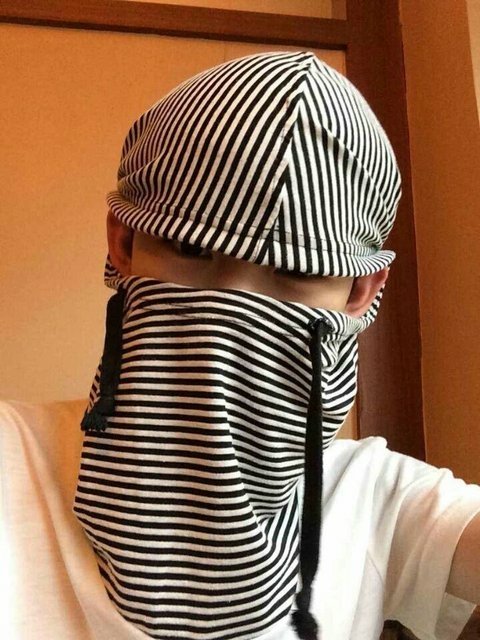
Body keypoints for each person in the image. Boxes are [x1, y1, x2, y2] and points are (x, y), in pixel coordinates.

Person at [1, 50, 479, 640]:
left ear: (360, 292)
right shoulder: (11, 458)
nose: (231, 305)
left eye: (293, 272)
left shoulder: (383, 499)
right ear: (122, 243)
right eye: (192, 251)